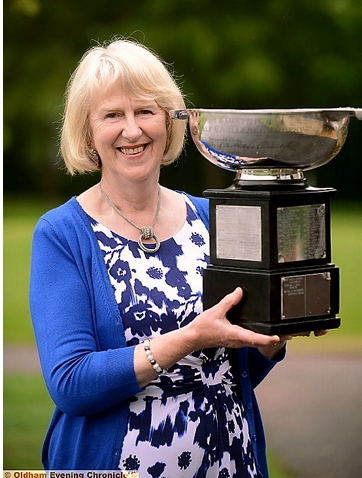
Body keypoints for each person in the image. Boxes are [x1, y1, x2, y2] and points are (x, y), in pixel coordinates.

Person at [29, 38, 325, 477]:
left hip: (231, 462)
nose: (133, 130)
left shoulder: (211, 218)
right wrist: (189, 338)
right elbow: (71, 384)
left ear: (169, 122)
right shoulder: (62, 233)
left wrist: (271, 339)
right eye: (113, 115)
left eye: (146, 111)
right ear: (88, 131)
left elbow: (231, 373)